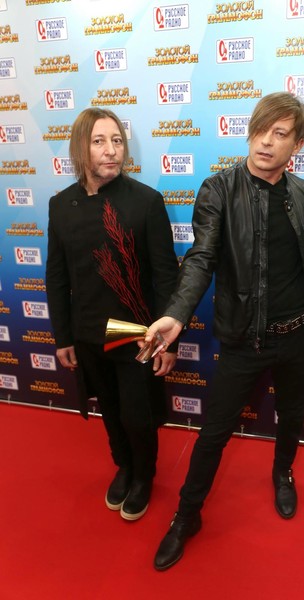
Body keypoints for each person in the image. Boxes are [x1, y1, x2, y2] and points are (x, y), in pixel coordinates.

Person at [143, 92, 304, 570]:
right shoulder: (218, 189)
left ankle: (283, 474)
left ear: (297, 145)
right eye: (260, 130)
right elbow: (201, 258)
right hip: (245, 338)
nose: (266, 142)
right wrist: (177, 314)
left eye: (280, 134)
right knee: (213, 434)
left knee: (292, 414)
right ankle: (187, 515)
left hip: (300, 334)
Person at [45, 108, 179, 521]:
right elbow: (57, 276)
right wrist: (63, 337)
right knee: (109, 409)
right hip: (87, 333)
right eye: (99, 141)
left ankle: (144, 477)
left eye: (117, 140)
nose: (111, 150)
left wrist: (167, 340)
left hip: (136, 332)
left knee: (138, 415)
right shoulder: (60, 205)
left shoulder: (146, 201)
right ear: (80, 148)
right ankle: (124, 467)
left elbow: (166, 277)